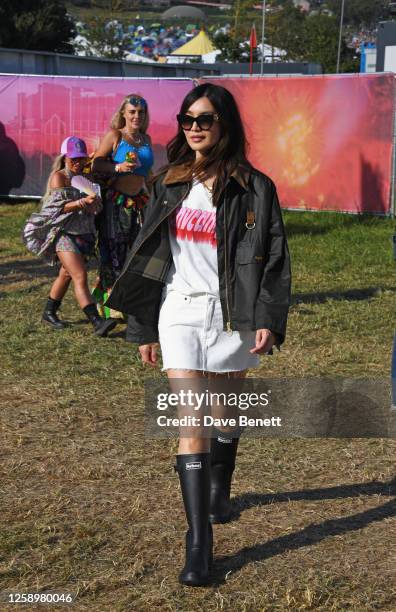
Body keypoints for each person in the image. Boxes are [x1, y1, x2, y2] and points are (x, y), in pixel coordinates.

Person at [106, 84, 291, 586]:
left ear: (224, 124)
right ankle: (199, 545)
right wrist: (143, 326)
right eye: (188, 119)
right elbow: (146, 258)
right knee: (194, 418)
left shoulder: (255, 187)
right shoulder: (168, 182)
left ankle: (219, 493)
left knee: (225, 411)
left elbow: (274, 258)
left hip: (235, 315)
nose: (194, 128)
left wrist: (270, 319)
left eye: (204, 120)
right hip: (179, 311)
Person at [23, 136, 117, 337]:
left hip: (85, 235)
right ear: (65, 157)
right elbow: (56, 208)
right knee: (79, 276)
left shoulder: (88, 178)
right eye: (73, 157)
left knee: (65, 274)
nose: (77, 161)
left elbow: (97, 207)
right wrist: (81, 203)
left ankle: (49, 311)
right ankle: (97, 322)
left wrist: (95, 204)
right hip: (65, 235)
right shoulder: (60, 177)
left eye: (81, 158)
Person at [92, 93, 154, 315]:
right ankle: (109, 305)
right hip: (116, 203)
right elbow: (96, 164)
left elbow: (147, 173)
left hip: (139, 203)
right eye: (132, 112)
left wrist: (158, 190)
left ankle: (127, 299)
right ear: (124, 114)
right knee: (114, 249)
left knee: (136, 250)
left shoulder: (146, 140)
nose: (137, 116)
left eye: (141, 112)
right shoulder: (115, 136)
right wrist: (117, 168)